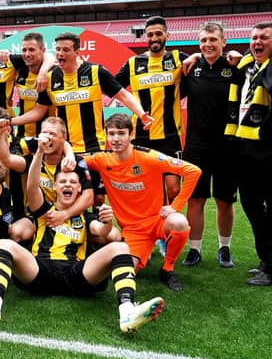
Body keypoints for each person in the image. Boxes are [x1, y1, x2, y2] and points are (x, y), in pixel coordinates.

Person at [0, 133, 165, 334]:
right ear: (56, 187)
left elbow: (104, 232)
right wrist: (40, 152)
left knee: (120, 247)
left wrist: (105, 222)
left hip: (75, 273)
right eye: (63, 182)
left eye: (72, 182)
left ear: (79, 188)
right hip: (40, 270)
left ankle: (127, 311)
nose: (67, 185)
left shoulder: (86, 216)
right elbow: (32, 186)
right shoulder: (44, 210)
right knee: (5, 244)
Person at [83, 114, 201, 292]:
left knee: (179, 222)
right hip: (133, 230)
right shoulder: (101, 160)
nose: (115, 139)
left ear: (131, 135)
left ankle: (168, 268)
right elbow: (72, 159)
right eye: (111, 133)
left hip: (158, 220)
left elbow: (193, 171)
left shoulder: (149, 157)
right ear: (106, 136)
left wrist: (175, 207)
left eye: (121, 133)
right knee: (125, 271)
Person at [10, 31, 152, 154]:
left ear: (77, 52)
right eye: (58, 49)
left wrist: (142, 114)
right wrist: (10, 122)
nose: (60, 53)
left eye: (65, 50)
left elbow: (124, 96)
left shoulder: (96, 72)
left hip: (94, 146)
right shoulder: (49, 77)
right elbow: (39, 111)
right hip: (63, 147)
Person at [180, 22, 239, 268]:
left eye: (213, 40)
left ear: (223, 42)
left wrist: (237, 56)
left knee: (225, 201)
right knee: (196, 200)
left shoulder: (236, 67)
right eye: (203, 41)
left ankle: (224, 248)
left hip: (227, 146)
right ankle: (195, 250)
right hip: (195, 146)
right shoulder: (190, 68)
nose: (208, 45)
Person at [115, 16, 188, 203]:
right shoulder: (133, 64)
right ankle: (154, 226)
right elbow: (113, 86)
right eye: (150, 34)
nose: (154, 38)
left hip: (170, 136)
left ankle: (166, 219)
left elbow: (202, 66)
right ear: (144, 37)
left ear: (167, 35)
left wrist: (196, 56)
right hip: (142, 136)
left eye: (158, 34)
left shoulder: (178, 58)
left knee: (173, 189)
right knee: (146, 187)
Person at [225, 22, 272, 286]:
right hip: (245, 148)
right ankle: (265, 260)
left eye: (264, 38)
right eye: (254, 38)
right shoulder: (248, 66)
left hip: (267, 151)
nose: (257, 42)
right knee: (252, 206)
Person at [13, 32, 50, 138]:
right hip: (21, 136)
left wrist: (9, 121)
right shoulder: (19, 71)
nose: (27, 54)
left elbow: (39, 112)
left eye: (32, 50)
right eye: (24, 50)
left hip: (45, 137)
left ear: (43, 50)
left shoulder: (52, 74)